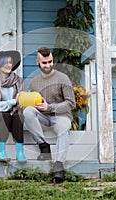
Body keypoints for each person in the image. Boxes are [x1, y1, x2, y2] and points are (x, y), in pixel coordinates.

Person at [21, 47, 76, 182]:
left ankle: (58, 165)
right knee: (27, 111)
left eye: (50, 62)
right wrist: (25, 102)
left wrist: (49, 107)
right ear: (38, 62)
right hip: (43, 117)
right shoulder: (34, 82)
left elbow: (71, 103)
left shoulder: (63, 78)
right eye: (44, 63)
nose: (48, 65)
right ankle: (43, 146)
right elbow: (34, 103)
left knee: (64, 127)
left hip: (61, 116)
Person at [0, 50, 26, 163]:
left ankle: (20, 152)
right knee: (5, 115)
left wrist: (23, 100)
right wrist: (13, 101)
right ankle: (1, 152)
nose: (8, 65)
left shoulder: (18, 81)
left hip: (13, 117)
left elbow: (22, 101)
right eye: (5, 62)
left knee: (18, 116)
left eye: (10, 62)